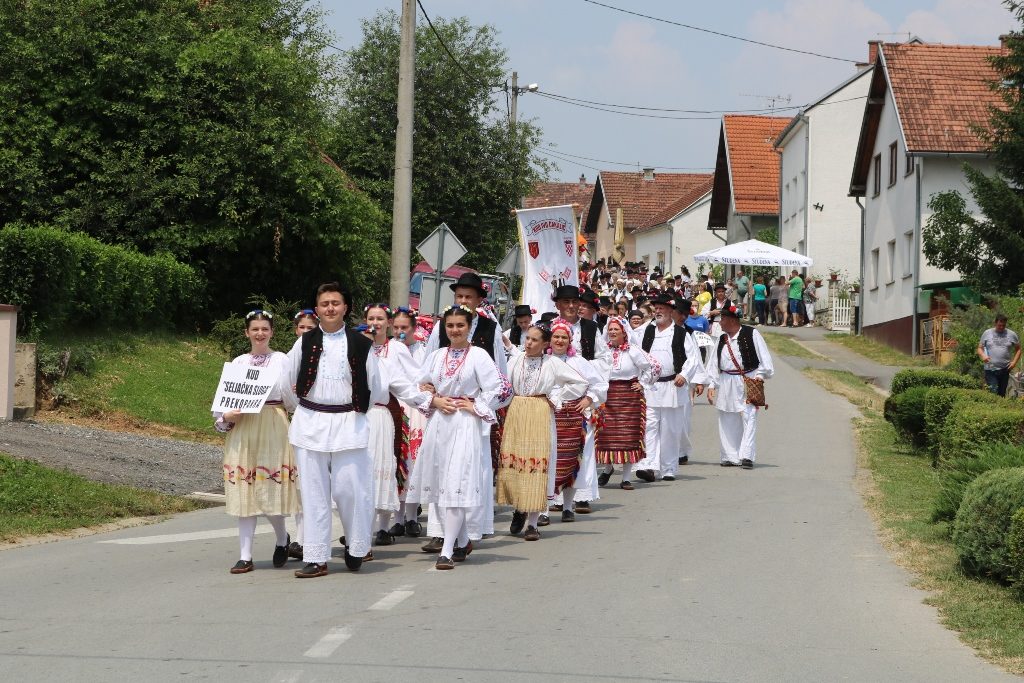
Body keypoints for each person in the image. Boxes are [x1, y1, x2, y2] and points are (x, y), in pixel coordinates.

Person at [288, 282, 386, 578]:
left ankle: (356, 548)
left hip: (348, 423)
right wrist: (307, 409)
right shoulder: (303, 342)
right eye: (324, 303)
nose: (330, 308)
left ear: (346, 307)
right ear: (316, 309)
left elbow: (376, 387)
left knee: (349, 489)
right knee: (314, 492)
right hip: (310, 423)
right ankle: (316, 557)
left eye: (336, 303)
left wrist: (353, 412)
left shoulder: (362, 345)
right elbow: (287, 382)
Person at [406, 305, 505, 570]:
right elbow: (417, 383)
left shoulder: (479, 356)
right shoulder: (437, 355)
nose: (455, 330)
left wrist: (477, 406)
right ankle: (461, 541)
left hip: (465, 424)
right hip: (440, 424)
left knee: (456, 481)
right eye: (450, 326)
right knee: (442, 482)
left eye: (460, 325)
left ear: (469, 326)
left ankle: (446, 550)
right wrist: (433, 397)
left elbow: (502, 389)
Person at [422, 272, 507, 552]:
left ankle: (467, 530)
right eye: (459, 296)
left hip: (471, 415)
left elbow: (500, 378)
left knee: (469, 471)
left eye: (469, 296)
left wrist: (481, 406)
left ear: (479, 300)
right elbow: (427, 374)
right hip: (442, 415)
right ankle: (440, 531)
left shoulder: (489, 330)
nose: (463, 300)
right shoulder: (439, 330)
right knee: (439, 469)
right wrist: (433, 399)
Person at [215, 310, 299, 574]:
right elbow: (223, 402)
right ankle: (245, 555)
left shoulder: (282, 360)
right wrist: (226, 416)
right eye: (255, 329)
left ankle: (282, 538)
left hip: (273, 423)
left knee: (269, 487)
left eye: (265, 329)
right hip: (243, 427)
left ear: (272, 332)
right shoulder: (238, 363)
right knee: (245, 489)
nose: (260, 333)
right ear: (247, 333)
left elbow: (291, 398)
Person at [499, 323, 587, 541]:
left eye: (534, 340)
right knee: (517, 463)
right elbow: (502, 384)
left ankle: (533, 523)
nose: (529, 343)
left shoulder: (553, 363)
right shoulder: (516, 359)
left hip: (540, 411)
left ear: (545, 343)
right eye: (528, 338)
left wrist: (556, 398)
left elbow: (580, 382)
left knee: (538, 464)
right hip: (517, 410)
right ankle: (519, 508)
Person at [362, 304, 432, 546]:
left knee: (395, 465)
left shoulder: (397, 349)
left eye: (380, 319)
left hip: (397, 411)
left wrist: (425, 393)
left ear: (388, 323)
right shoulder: (360, 346)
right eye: (371, 318)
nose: (375, 323)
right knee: (366, 470)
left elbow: (415, 377)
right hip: (365, 414)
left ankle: (391, 523)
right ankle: (365, 526)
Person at [630, 294, 706, 482]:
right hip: (651, 386)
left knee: (671, 429)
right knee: (650, 426)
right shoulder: (647, 331)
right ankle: (648, 465)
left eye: (662, 308)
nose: (658, 311)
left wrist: (684, 375)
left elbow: (693, 359)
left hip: (673, 386)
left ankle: (669, 467)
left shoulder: (681, 333)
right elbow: (637, 353)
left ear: (671, 311)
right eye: (656, 308)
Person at [546, 319, 608, 519]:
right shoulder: (542, 361)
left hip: (573, 417)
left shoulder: (579, 362)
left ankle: (567, 507)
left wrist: (589, 399)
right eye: (556, 336)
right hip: (547, 416)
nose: (560, 340)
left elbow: (599, 384)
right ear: (550, 339)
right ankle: (543, 510)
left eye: (564, 337)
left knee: (572, 461)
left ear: (570, 340)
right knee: (547, 462)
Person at [706, 305, 774, 469]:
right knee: (727, 417)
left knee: (748, 417)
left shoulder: (752, 334)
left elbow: (764, 358)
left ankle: (747, 456)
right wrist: (711, 384)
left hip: (747, 379)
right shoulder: (722, 339)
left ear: (731, 320)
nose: (720, 323)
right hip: (726, 380)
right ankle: (729, 455)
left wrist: (759, 376)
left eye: (722, 319)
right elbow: (713, 362)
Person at [596, 317, 660, 490]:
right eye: (610, 329)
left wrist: (643, 383)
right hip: (607, 396)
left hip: (628, 397)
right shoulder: (603, 351)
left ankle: (625, 478)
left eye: (616, 329)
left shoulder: (633, 350)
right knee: (607, 436)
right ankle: (608, 469)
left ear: (624, 332)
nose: (612, 332)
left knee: (628, 437)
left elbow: (652, 367)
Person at [390, 307, 428, 537]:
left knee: (412, 461)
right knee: (396, 460)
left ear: (414, 329)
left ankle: (412, 516)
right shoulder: (388, 350)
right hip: (394, 407)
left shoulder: (422, 352)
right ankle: (397, 517)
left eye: (404, 328)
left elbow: (425, 379)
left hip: (414, 410)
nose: (399, 332)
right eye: (396, 327)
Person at [551, 284, 609, 364]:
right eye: (566, 302)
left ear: (579, 304)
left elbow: (604, 357)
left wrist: (583, 367)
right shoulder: (549, 327)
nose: (571, 306)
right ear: (558, 305)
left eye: (574, 302)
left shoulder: (591, 327)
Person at [978, 314, 1021, 396]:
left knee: (1001, 393)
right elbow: (980, 348)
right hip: (990, 368)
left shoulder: (1011, 334)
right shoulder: (987, 333)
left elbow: (1018, 349)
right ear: (995, 323)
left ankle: (999, 408)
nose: (1001, 327)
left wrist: (1014, 362)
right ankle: (992, 408)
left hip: (1005, 369)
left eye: (1003, 325)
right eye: (999, 325)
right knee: (993, 391)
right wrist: (983, 356)